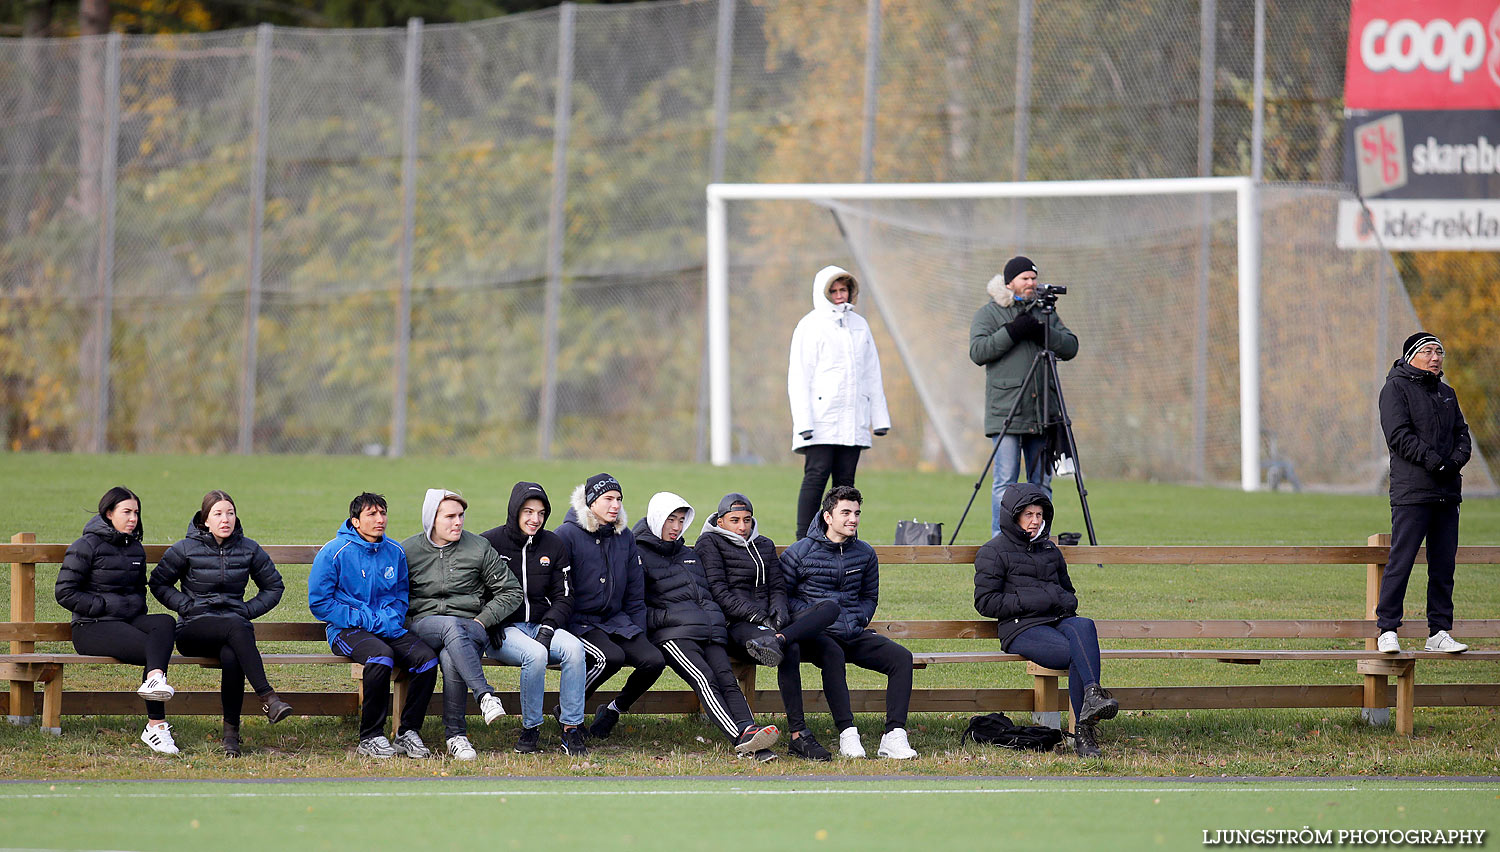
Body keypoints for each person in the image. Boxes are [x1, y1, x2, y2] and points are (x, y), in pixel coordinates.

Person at [973, 483, 1118, 758]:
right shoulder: (992, 551)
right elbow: (985, 602)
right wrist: (1036, 600)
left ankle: (1092, 697)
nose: (1035, 520)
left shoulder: (1050, 550)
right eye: (1028, 514)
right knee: (1077, 653)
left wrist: (1060, 600)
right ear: (1013, 516)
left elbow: (1069, 594)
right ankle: (1083, 735)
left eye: (1039, 515)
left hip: (1057, 621)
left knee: (1084, 624)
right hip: (1021, 628)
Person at [635, 492, 782, 761]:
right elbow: (638, 608)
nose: (676, 527)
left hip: (708, 631)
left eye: (681, 521)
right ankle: (742, 738)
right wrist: (674, 620)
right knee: (705, 680)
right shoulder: (638, 554)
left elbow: (706, 595)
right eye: (670, 520)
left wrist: (713, 621)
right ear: (657, 519)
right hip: (673, 636)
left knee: (728, 681)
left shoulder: (687, 554)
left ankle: (750, 732)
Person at [695, 491, 840, 761]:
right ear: (721, 521)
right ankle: (799, 734)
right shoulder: (709, 543)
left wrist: (779, 615)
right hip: (738, 625)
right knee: (792, 649)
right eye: (734, 520)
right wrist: (759, 618)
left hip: (774, 626)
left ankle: (780, 639)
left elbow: (777, 587)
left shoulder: (764, 544)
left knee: (829, 607)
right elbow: (719, 593)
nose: (742, 526)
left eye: (747, 520)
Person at [149, 490, 291, 757]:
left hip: (233, 633)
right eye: (218, 514)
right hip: (193, 630)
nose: (225, 519)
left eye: (230, 513)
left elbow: (274, 585)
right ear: (205, 520)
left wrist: (247, 609)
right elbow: (158, 582)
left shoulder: (249, 548)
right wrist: (186, 606)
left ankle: (231, 738)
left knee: (232, 654)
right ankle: (268, 698)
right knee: (238, 627)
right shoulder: (185, 548)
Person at [780, 485, 917, 760]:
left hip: (852, 631)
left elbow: (869, 596)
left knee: (902, 658)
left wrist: (860, 618)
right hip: (817, 637)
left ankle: (894, 736)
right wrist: (813, 617)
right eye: (845, 512)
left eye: (856, 513)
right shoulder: (799, 553)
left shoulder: (865, 553)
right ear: (828, 516)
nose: (853, 519)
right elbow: (784, 598)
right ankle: (847, 734)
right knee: (833, 654)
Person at [309, 492, 439, 759]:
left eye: (383, 513)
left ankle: (408, 732)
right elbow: (320, 603)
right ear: (355, 521)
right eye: (372, 514)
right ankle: (370, 736)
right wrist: (363, 619)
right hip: (347, 630)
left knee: (427, 659)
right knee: (380, 657)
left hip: (388, 628)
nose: (380, 519)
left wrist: (391, 618)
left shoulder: (395, 551)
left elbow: (402, 594)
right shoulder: (334, 552)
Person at [56, 486, 180, 754]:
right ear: (109, 513)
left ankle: (155, 682)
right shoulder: (85, 545)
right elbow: (64, 592)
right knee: (153, 648)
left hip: (128, 621)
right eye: (126, 512)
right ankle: (156, 726)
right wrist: (101, 605)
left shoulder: (135, 548)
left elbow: (138, 590)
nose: (133, 518)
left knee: (165, 623)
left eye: (136, 512)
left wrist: (135, 609)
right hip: (91, 627)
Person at [401, 488, 522, 761]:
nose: (458, 522)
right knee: (449, 627)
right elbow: (395, 596)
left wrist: (482, 621)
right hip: (423, 627)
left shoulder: (478, 547)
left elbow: (511, 591)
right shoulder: (407, 551)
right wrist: (407, 623)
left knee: (451, 651)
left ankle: (457, 737)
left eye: (461, 516)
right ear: (432, 518)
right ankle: (485, 696)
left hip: (470, 629)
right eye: (450, 516)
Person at [1376, 332, 1473, 655]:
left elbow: (1462, 434)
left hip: (1447, 494)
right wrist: (1436, 463)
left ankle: (1439, 631)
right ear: (1411, 356)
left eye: (1440, 352)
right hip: (1412, 493)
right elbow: (1399, 436)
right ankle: (1387, 629)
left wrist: (1455, 461)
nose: (1435, 358)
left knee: (1443, 565)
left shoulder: (1448, 393)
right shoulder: (1395, 389)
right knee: (1401, 561)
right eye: (1429, 351)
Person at [969, 255, 1079, 537]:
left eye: (1034, 278)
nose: (1031, 283)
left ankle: (1039, 539)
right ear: (1010, 283)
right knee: (1004, 482)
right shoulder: (989, 313)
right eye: (1025, 278)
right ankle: (1000, 541)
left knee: (1041, 484)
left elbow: (1070, 346)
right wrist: (1013, 331)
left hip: (1042, 413)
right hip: (1006, 412)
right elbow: (979, 352)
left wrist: (1044, 332)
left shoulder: (1046, 313)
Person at [481, 481, 590, 756]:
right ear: (515, 511)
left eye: (541, 513)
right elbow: (475, 591)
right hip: (504, 630)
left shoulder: (553, 544)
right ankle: (531, 728)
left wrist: (549, 626)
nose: (535, 519)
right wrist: (490, 621)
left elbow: (565, 596)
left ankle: (571, 729)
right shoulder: (490, 542)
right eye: (528, 512)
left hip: (543, 625)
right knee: (536, 655)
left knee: (576, 650)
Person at [557, 473, 665, 740]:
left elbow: (634, 591)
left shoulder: (625, 537)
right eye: (608, 499)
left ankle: (614, 710)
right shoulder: (566, 535)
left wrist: (638, 632)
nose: (615, 505)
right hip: (579, 622)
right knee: (610, 657)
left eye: (618, 499)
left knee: (654, 660)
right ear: (591, 502)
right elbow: (559, 589)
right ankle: (569, 710)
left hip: (616, 621)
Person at [788, 265, 891, 540]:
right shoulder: (809, 325)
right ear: (823, 293)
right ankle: (804, 540)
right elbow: (799, 377)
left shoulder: (860, 325)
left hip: (853, 420)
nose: (838, 295)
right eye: (832, 290)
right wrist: (804, 423)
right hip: (820, 420)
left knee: (846, 483)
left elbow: (872, 373)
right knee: (816, 477)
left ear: (850, 291)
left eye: (842, 289)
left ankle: (844, 539)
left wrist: (879, 419)